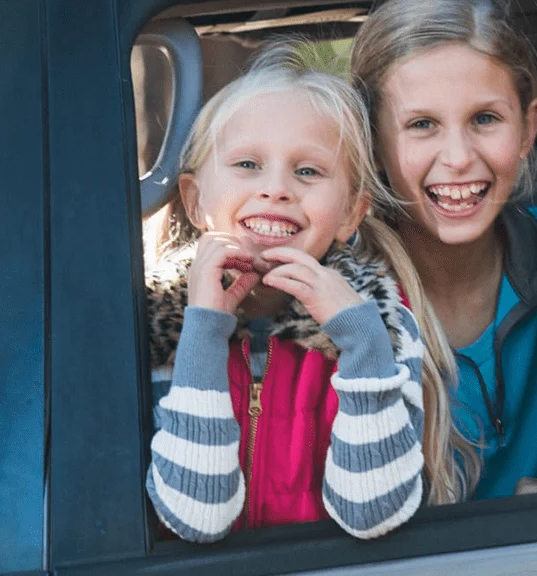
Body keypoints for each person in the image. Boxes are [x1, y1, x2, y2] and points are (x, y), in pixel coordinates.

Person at [143, 44, 476, 543]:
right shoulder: (150, 329)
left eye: (308, 172)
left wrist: (362, 344)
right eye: (248, 164)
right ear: (194, 199)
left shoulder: (377, 324)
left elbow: (373, 512)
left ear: (350, 214)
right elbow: (198, 517)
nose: (277, 189)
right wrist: (204, 331)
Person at [349, 0, 537, 499]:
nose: (458, 158)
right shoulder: (343, 307)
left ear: (528, 128)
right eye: (421, 125)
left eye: (485, 119)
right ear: (374, 144)